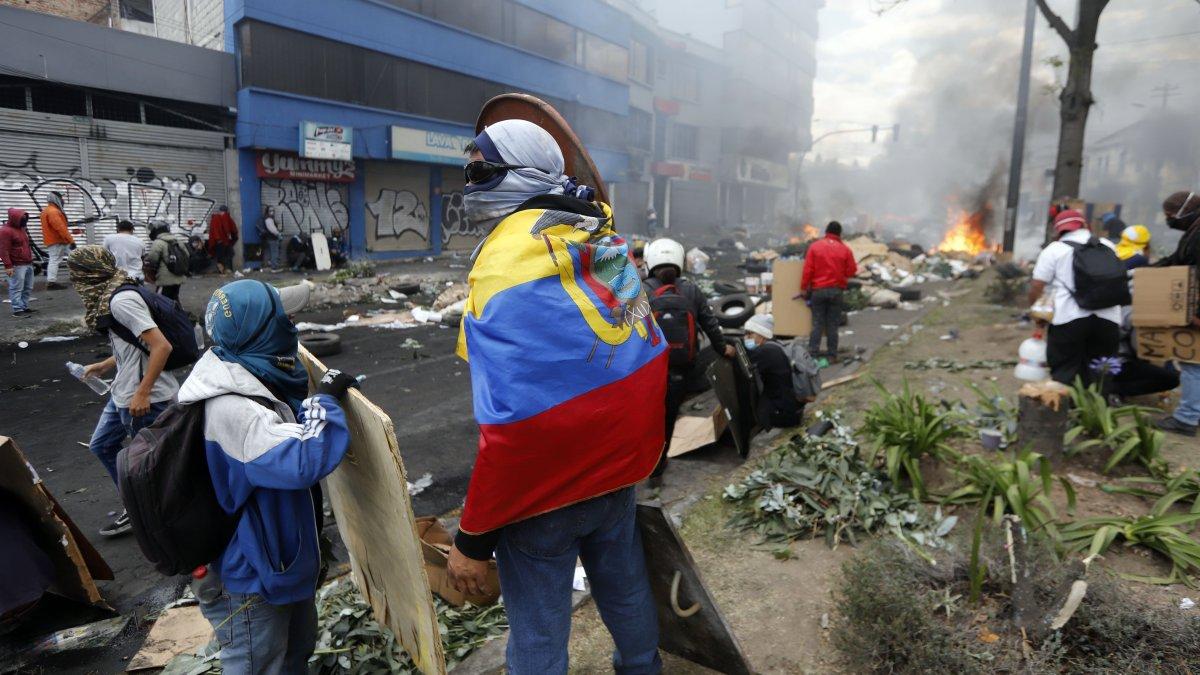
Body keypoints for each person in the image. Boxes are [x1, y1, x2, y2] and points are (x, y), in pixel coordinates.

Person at [446, 119, 664, 674]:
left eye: (481, 170)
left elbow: (510, 429)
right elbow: (644, 350)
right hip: (615, 476)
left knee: (538, 633)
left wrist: (472, 538)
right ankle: (643, 667)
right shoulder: (603, 239)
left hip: (542, 497)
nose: (470, 184)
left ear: (519, 174)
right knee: (626, 591)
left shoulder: (499, 265)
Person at [177, 280, 357, 674]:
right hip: (249, 580)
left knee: (296, 650)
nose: (292, 326)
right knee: (256, 665)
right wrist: (324, 399)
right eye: (283, 318)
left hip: (275, 562)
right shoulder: (233, 410)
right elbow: (305, 458)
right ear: (261, 331)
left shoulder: (244, 370)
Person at [68, 246, 179, 537]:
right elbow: (132, 345)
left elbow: (161, 346)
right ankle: (138, 505)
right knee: (102, 445)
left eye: (75, 274)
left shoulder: (121, 301)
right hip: (123, 389)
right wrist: (105, 364)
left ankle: (152, 516)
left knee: (144, 463)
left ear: (88, 274)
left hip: (144, 397)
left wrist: (142, 392)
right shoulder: (111, 294)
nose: (73, 281)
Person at [642, 236, 733, 482]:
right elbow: (710, 323)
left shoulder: (641, 289)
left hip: (647, 369)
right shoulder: (691, 290)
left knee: (645, 414)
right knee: (669, 415)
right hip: (680, 368)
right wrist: (723, 348)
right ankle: (659, 465)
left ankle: (637, 462)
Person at [1027, 209, 1122, 391]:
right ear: (1086, 225)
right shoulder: (1108, 246)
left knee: (1065, 370)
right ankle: (1096, 412)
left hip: (1068, 318)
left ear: (1058, 231)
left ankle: (1066, 413)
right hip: (1108, 319)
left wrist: (1036, 311)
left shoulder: (1054, 249)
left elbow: (1037, 286)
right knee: (1102, 372)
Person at [1153, 190, 1200, 436]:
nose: (1168, 220)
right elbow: (1177, 260)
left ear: (1184, 212)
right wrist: (1149, 270)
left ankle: (1187, 419)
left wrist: (1195, 314)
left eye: (1170, 215)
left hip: (1196, 310)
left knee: (1192, 363)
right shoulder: (1193, 231)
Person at [800, 221, 857, 362]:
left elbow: (808, 270)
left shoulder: (815, 247)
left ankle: (813, 354)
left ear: (826, 232)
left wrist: (803, 288)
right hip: (836, 292)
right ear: (839, 233)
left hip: (818, 291)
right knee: (832, 325)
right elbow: (852, 271)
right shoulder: (845, 249)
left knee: (817, 323)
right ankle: (832, 355)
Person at [742, 314, 803, 429]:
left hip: (782, 412)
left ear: (762, 334)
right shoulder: (775, 345)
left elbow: (746, 369)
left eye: (750, 333)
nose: (746, 337)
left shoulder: (765, 351)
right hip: (791, 406)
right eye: (745, 333)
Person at [1, 208, 35, 318]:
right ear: (15, 218)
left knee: (28, 287)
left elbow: (26, 245)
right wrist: (8, 265)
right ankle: (17, 309)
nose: (24, 220)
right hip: (16, 264)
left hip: (27, 263)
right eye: (22, 218)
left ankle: (23, 306)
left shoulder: (21, 229)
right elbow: (3, 249)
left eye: (25, 218)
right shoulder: (5, 231)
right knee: (16, 287)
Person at [145, 221, 188, 301]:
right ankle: (177, 312)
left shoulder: (158, 242)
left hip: (165, 278)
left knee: (161, 300)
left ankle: (167, 313)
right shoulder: (178, 241)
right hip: (179, 276)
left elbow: (152, 258)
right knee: (174, 297)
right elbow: (187, 255)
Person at [40, 191, 74, 290]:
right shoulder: (53, 212)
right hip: (59, 241)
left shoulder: (47, 210)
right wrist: (71, 240)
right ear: (56, 199)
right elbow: (61, 228)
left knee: (74, 257)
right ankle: (51, 282)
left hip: (57, 240)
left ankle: (79, 276)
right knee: (54, 260)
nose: (62, 200)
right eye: (60, 197)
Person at [207, 205, 239, 274]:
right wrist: (219, 239)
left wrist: (219, 239)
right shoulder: (221, 218)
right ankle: (224, 270)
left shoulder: (217, 218)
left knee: (224, 255)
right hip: (222, 241)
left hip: (222, 241)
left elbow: (215, 229)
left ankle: (224, 270)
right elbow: (233, 229)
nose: (223, 214)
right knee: (225, 255)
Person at [259, 206, 282, 271]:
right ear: (267, 211)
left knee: (272, 253)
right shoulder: (268, 219)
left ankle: (271, 265)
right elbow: (272, 229)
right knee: (274, 253)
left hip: (270, 238)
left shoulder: (269, 218)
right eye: (270, 211)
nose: (272, 212)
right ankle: (274, 267)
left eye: (273, 210)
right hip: (273, 238)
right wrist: (278, 234)